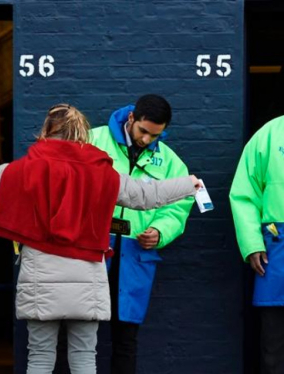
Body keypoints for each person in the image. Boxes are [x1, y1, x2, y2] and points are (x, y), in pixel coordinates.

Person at [0, 103, 200, 374]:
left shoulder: (30, 167)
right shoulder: (101, 171)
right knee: (84, 357)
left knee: (39, 357)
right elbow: (144, 196)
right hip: (87, 277)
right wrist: (188, 183)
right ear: (83, 133)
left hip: (40, 276)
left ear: (48, 130)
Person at [90, 94, 193, 374]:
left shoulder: (170, 161)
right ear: (132, 118)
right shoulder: (92, 140)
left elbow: (179, 205)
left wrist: (160, 232)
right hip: (91, 250)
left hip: (135, 256)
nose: (147, 140)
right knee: (81, 333)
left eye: (155, 135)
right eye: (143, 131)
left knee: (126, 339)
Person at [229, 116, 284, 374]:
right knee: (274, 340)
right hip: (277, 249)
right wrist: (252, 243)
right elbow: (243, 194)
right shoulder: (269, 134)